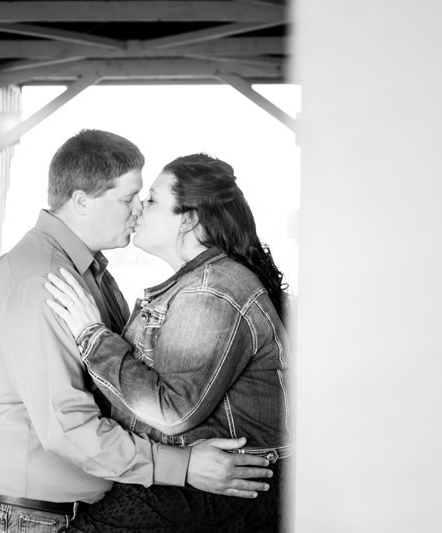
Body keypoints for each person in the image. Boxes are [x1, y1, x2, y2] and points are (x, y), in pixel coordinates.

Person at [0, 133, 274, 532]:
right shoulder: (42, 281)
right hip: (21, 518)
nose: (138, 210)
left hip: (49, 513)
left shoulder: (87, 273)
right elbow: (67, 427)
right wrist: (184, 467)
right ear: (82, 200)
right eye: (129, 198)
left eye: (145, 198)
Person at [44, 152, 292, 531]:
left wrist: (91, 336)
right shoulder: (200, 284)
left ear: (189, 218)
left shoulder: (212, 292)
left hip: (216, 498)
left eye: (154, 199)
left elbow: (173, 412)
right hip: (211, 492)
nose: (140, 207)